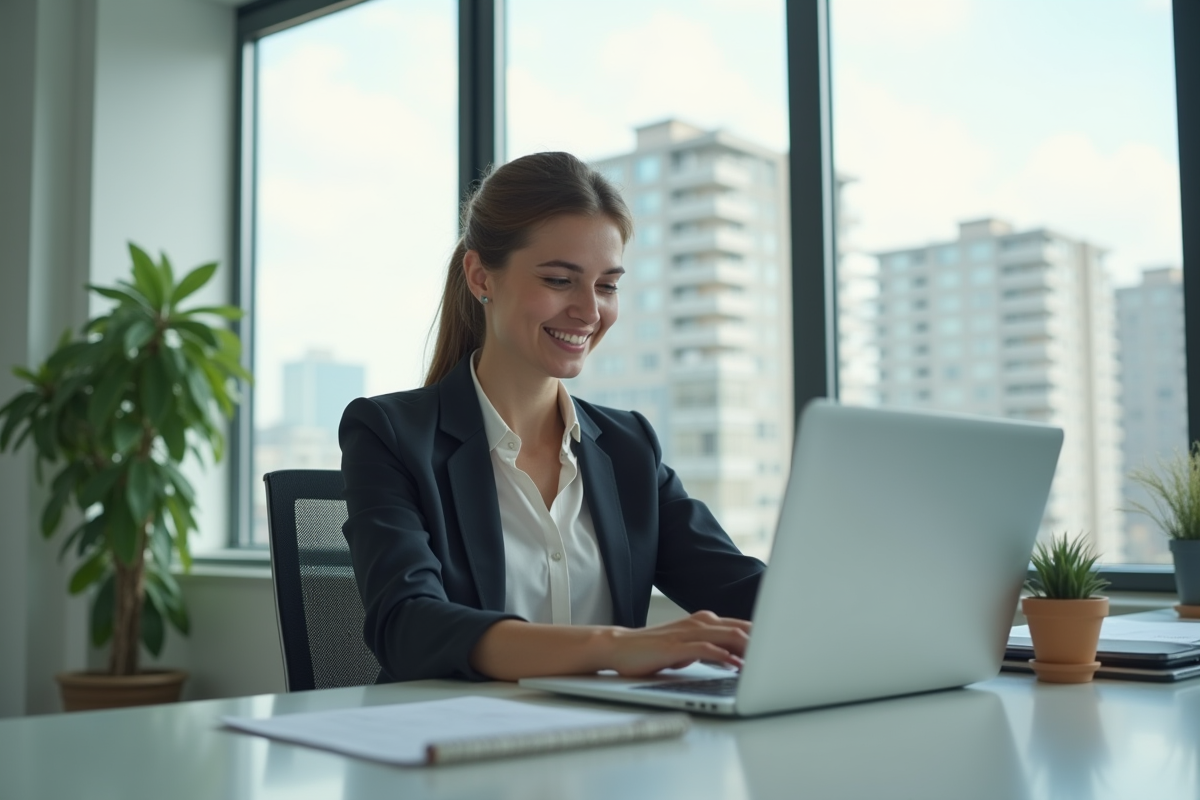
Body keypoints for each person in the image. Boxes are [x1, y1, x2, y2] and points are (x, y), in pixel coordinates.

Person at [340, 151, 765, 683]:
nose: (589, 311)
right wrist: (613, 647)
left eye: (607, 285)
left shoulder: (628, 446)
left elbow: (741, 590)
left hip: (610, 747)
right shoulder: (391, 435)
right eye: (561, 281)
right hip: (455, 746)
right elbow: (408, 625)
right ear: (480, 277)